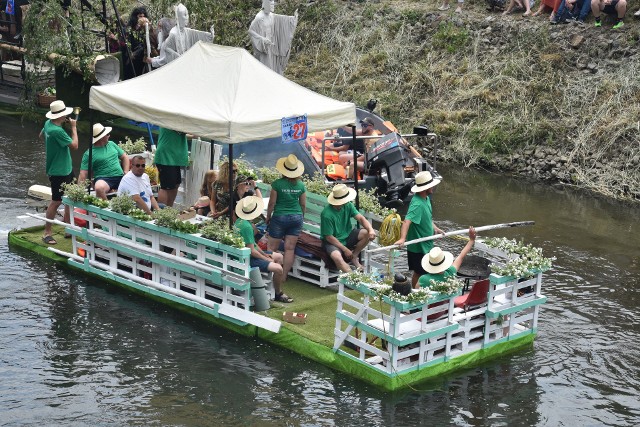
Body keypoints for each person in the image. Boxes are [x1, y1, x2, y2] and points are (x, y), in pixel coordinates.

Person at [235, 196, 292, 303]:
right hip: (247, 259)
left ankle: (275, 289)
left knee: (279, 256)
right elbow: (251, 250)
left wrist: (265, 255)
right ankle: (278, 293)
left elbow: (253, 245)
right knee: (279, 268)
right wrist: (266, 259)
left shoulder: (240, 222)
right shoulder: (247, 227)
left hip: (246, 255)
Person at [393, 171, 446, 288]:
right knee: (419, 272)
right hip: (418, 246)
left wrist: (435, 228)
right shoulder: (417, 204)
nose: (433, 187)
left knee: (426, 270)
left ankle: (420, 291)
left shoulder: (426, 198)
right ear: (424, 188)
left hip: (426, 243)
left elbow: (427, 217)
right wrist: (402, 239)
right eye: (431, 185)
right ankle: (415, 293)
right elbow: (407, 221)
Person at [39, 100, 78, 245]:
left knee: (70, 197)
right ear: (61, 116)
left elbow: (41, 134)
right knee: (56, 201)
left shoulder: (48, 124)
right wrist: (74, 128)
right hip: (58, 172)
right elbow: (75, 145)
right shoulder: (58, 131)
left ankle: (68, 226)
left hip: (65, 168)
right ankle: (47, 232)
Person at [266, 154, 306, 280]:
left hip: (279, 217)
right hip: (296, 217)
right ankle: (283, 277)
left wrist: (268, 216)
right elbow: (303, 204)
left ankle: (271, 275)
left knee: (272, 248)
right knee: (290, 249)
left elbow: (272, 203)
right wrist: (301, 217)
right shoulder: (301, 185)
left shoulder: (277, 184)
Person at [320, 184, 376, 273]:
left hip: (348, 235)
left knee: (366, 233)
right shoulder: (326, 214)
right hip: (332, 242)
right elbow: (329, 237)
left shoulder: (348, 205)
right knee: (337, 257)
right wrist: (345, 249)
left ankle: (354, 257)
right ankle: (352, 277)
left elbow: (361, 218)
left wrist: (371, 229)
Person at [78, 123, 129, 200]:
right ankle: (107, 208)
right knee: (99, 188)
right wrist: (78, 190)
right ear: (101, 138)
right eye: (107, 134)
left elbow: (124, 157)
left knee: (139, 180)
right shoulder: (89, 153)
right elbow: (83, 173)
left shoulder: (112, 144)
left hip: (120, 176)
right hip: (103, 179)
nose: (109, 136)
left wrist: (126, 171)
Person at [249, 0, 298, 74]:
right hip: (264, 47)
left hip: (272, 44)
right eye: (271, 5)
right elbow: (251, 31)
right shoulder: (259, 17)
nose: (273, 6)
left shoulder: (271, 15)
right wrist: (262, 39)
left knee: (273, 65)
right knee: (265, 66)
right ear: (266, 5)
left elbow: (282, 20)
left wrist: (293, 19)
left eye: (273, 5)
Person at [154, 127, 188, 207]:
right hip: (166, 156)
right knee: (166, 187)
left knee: (175, 184)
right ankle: (161, 213)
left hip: (174, 157)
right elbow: (185, 130)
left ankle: (169, 210)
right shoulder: (173, 119)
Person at [123, 6, 157, 80]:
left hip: (142, 57)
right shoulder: (129, 29)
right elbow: (127, 43)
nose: (142, 18)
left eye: (143, 16)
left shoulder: (146, 29)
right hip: (132, 59)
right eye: (140, 16)